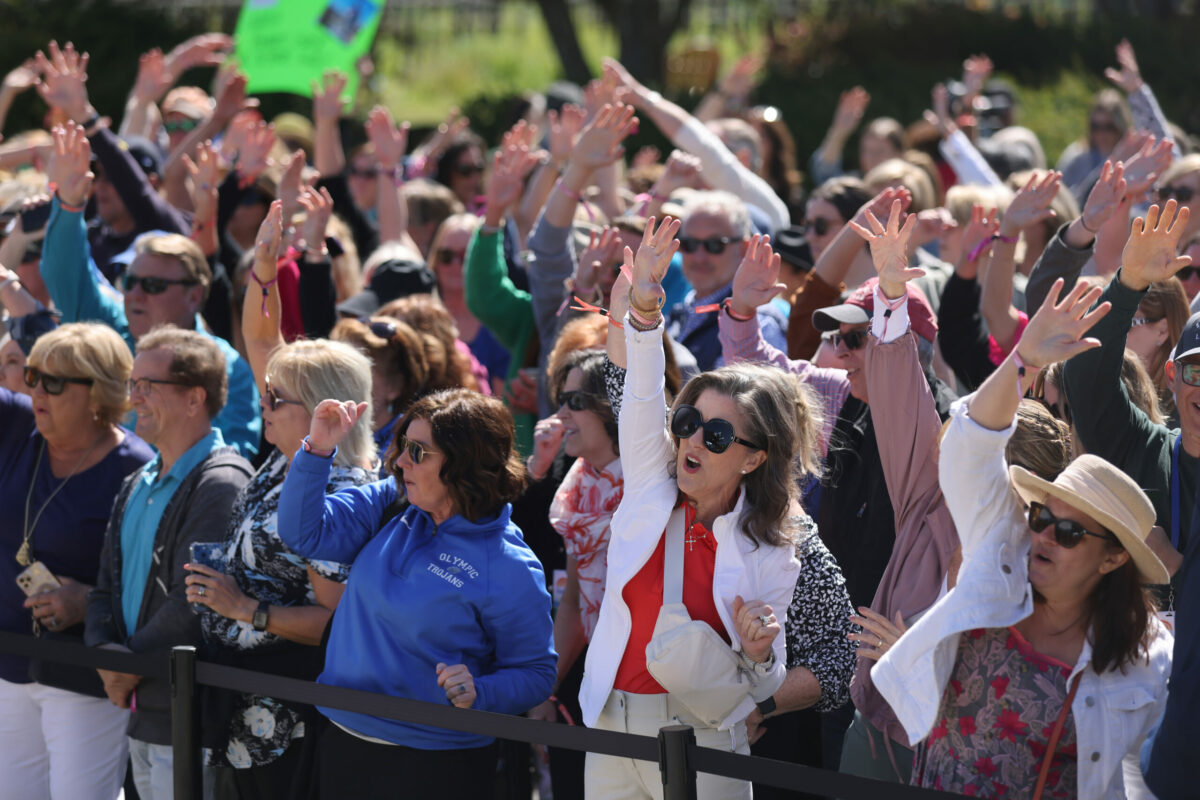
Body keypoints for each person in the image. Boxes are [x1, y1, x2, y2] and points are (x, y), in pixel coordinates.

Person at [873, 277, 1173, 799]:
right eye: (1041, 518)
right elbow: (968, 449)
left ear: (1113, 558)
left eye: (1071, 531)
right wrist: (1023, 361)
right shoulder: (1000, 560)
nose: (1046, 537)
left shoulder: (1148, 658)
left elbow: (1141, 782)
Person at [581, 217, 812, 799]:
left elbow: (768, 677)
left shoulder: (774, 543)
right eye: (688, 423)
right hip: (610, 722)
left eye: (715, 437)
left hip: (704, 732)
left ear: (754, 459)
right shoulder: (649, 481)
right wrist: (642, 311)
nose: (689, 441)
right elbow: (639, 395)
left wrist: (760, 652)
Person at [183, 203, 378, 797]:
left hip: (292, 717)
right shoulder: (289, 458)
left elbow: (336, 623)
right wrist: (264, 270)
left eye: (276, 398)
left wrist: (246, 608)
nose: (262, 404)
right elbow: (261, 337)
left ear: (322, 410)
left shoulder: (340, 490)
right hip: (245, 702)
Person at [276, 389, 556, 799]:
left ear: (465, 465)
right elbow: (303, 532)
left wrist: (481, 691)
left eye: (419, 452)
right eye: (405, 445)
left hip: (432, 765)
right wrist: (317, 448)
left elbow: (535, 672)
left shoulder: (509, 566)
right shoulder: (393, 502)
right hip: (339, 740)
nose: (402, 461)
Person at [84, 327, 253, 800]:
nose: (133, 397)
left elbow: (192, 603)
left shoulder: (222, 482)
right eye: (132, 383)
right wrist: (106, 656)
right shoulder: (137, 480)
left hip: (190, 718)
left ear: (194, 398)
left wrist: (127, 665)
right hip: (142, 707)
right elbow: (104, 588)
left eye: (147, 386)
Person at [40, 123, 261, 456]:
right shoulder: (111, 331)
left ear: (194, 296)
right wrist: (69, 206)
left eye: (154, 285)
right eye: (130, 282)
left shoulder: (227, 368)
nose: (135, 294)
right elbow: (67, 277)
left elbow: (232, 465)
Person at [0, 322, 154, 800]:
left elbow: (151, 584)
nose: (35, 390)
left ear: (98, 392)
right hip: (9, 660)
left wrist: (89, 601)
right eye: (31, 375)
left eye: (54, 381)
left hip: (83, 672)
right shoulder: (18, 427)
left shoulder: (137, 468)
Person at [525, 349, 622, 799]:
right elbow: (574, 600)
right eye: (559, 400)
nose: (560, 414)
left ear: (611, 404)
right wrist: (548, 689)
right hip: (592, 688)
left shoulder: (661, 485)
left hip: (651, 699)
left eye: (574, 401)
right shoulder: (581, 483)